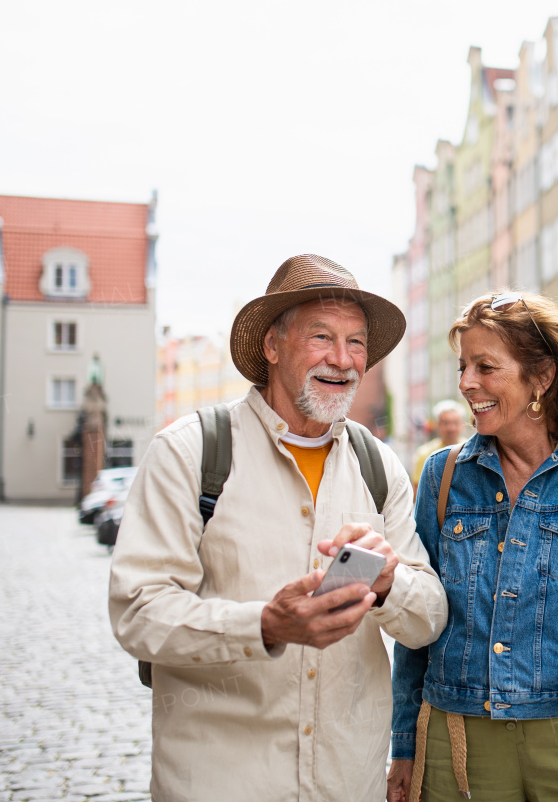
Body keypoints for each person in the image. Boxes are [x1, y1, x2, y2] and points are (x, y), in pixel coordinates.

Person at [109, 255, 448, 802]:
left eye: (357, 342)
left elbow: (429, 617)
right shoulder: (191, 451)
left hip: (347, 783)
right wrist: (266, 625)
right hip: (222, 783)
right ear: (271, 345)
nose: (342, 360)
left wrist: (388, 584)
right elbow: (137, 613)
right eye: (321, 337)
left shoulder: (378, 466)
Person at [387, 291, 558, 802]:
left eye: (486, 367)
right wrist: (404, 744)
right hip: (459, 734)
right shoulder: (443, 477)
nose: (468, 383)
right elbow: (416, 623)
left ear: (542, 376)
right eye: (463, 366)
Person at [411, 399, 468, 485]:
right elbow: (417, 489)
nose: (451, 428)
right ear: (437, 424)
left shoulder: (471, 450)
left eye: (455, 423)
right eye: (446, 423)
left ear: (463, 424)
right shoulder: (424, 454)